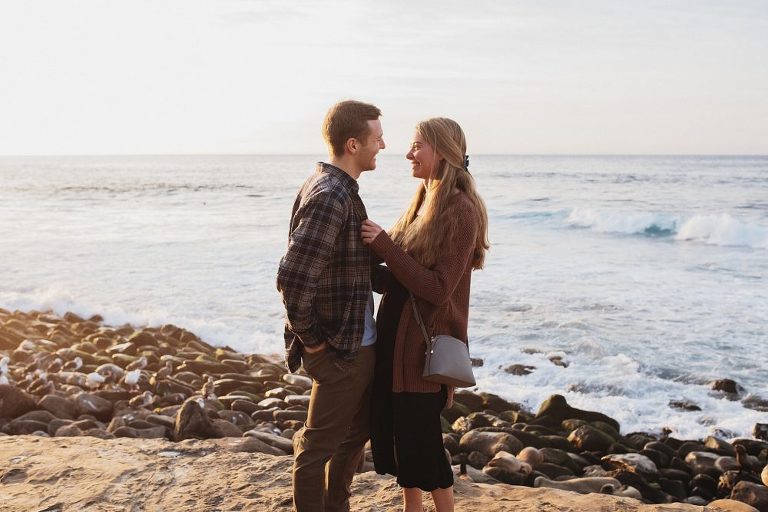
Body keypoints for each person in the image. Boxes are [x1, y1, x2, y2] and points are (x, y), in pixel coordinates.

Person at [361, 117, 489, 512]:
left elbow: (437, 288)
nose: (408, 153)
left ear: (444, 152)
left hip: (422, 353)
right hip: (394, 343)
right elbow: (396, 281)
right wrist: (361, 260)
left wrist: (384, 244)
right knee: (401, 443)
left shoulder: (460, 210)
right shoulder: (421, 200)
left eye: (418, 146)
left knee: (424, 448)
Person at [277, 100, 385, 512]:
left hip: (358, 343)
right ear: (354, 144)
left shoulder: (337, 188)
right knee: (316, 447)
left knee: (356, 435)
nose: (383, 145)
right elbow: (293, 277)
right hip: (341, 349)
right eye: (377, 138)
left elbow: (351, 269)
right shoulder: (331, 195)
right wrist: (315, 344)